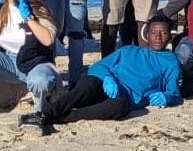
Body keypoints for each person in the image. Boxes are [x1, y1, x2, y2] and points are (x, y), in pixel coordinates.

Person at [24, 12, 182, 134]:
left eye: (163, 33)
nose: (158, 37)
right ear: (146, 35)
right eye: (154, 33)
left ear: (170, 35)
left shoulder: (171, 62)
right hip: (103, 85)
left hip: (124, 98)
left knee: (120, 107)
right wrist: (107, 78)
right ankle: (43, 114)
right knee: (87, 83)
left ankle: (58, 117)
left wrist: (166, 97)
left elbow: (174, 92)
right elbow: (97, 66)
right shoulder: (129, 50)